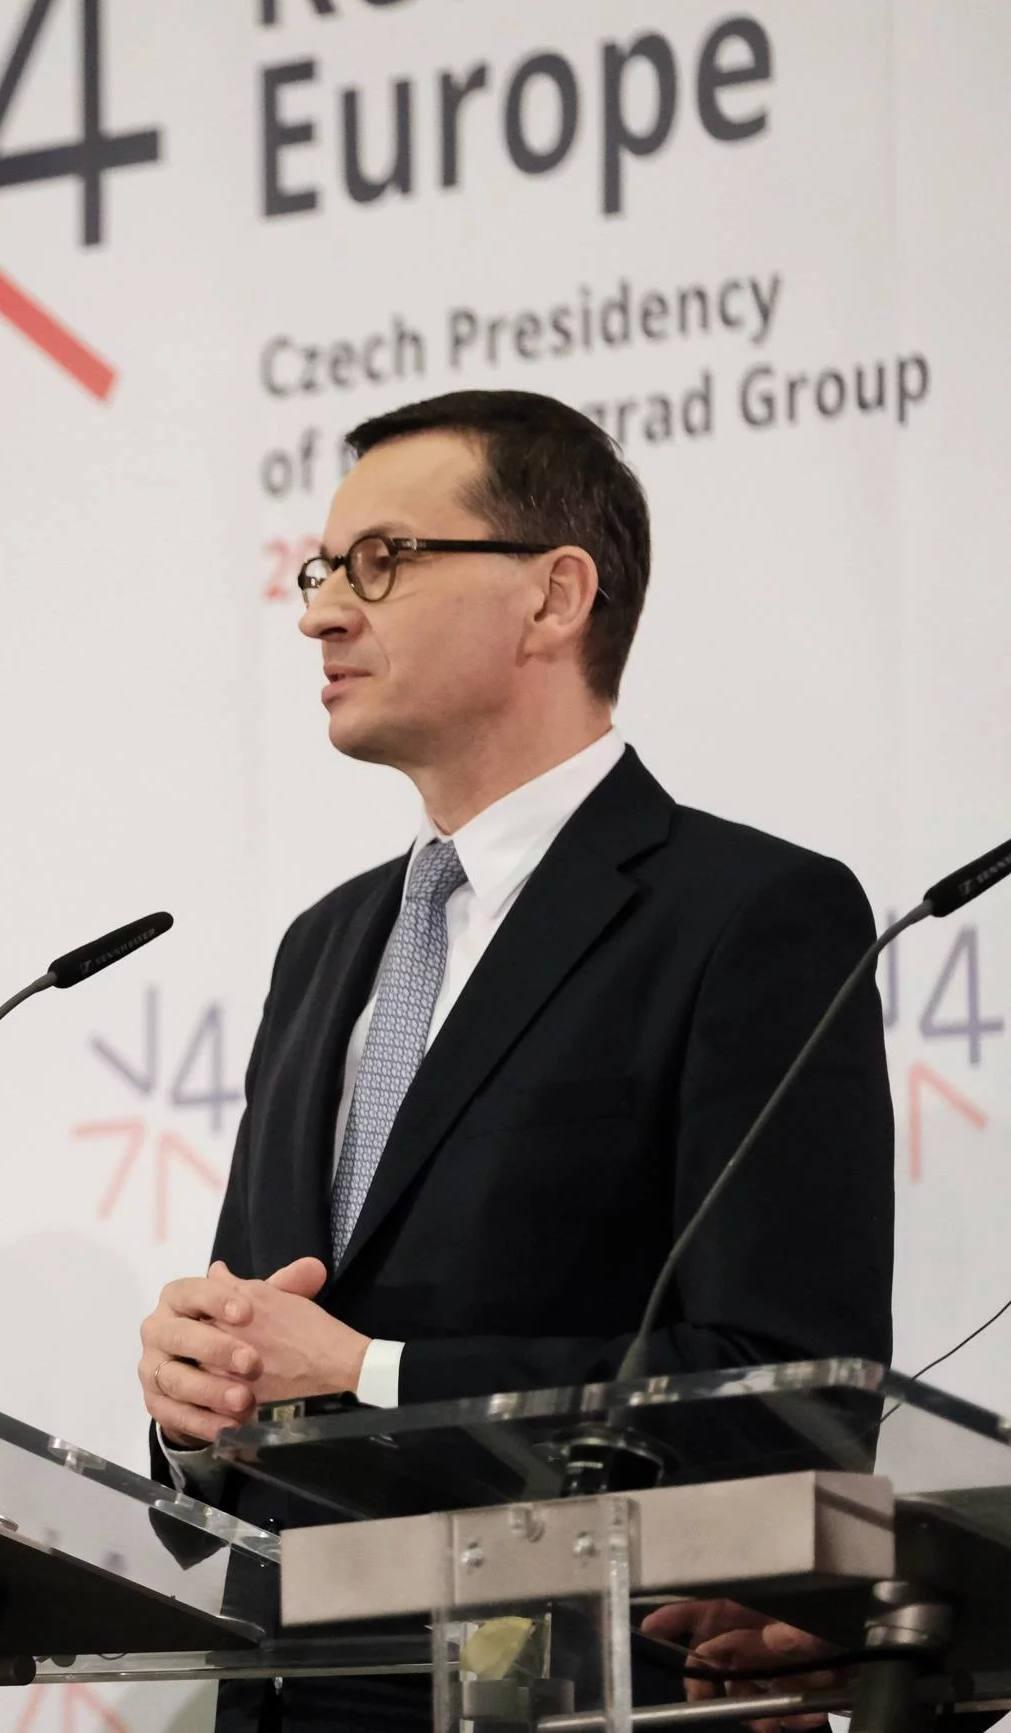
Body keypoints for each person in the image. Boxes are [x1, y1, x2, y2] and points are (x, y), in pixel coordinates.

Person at [135, 392, 894, 1731]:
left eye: (381, 563)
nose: (318, 612)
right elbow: (275, 1336)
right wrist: (199, 1411)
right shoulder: (325, 947)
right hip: (286, 1690)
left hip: (580, 1692)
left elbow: (792, 1398)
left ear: (553, 597)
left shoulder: (746, 915)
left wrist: (367, 1373)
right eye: (320, 572)